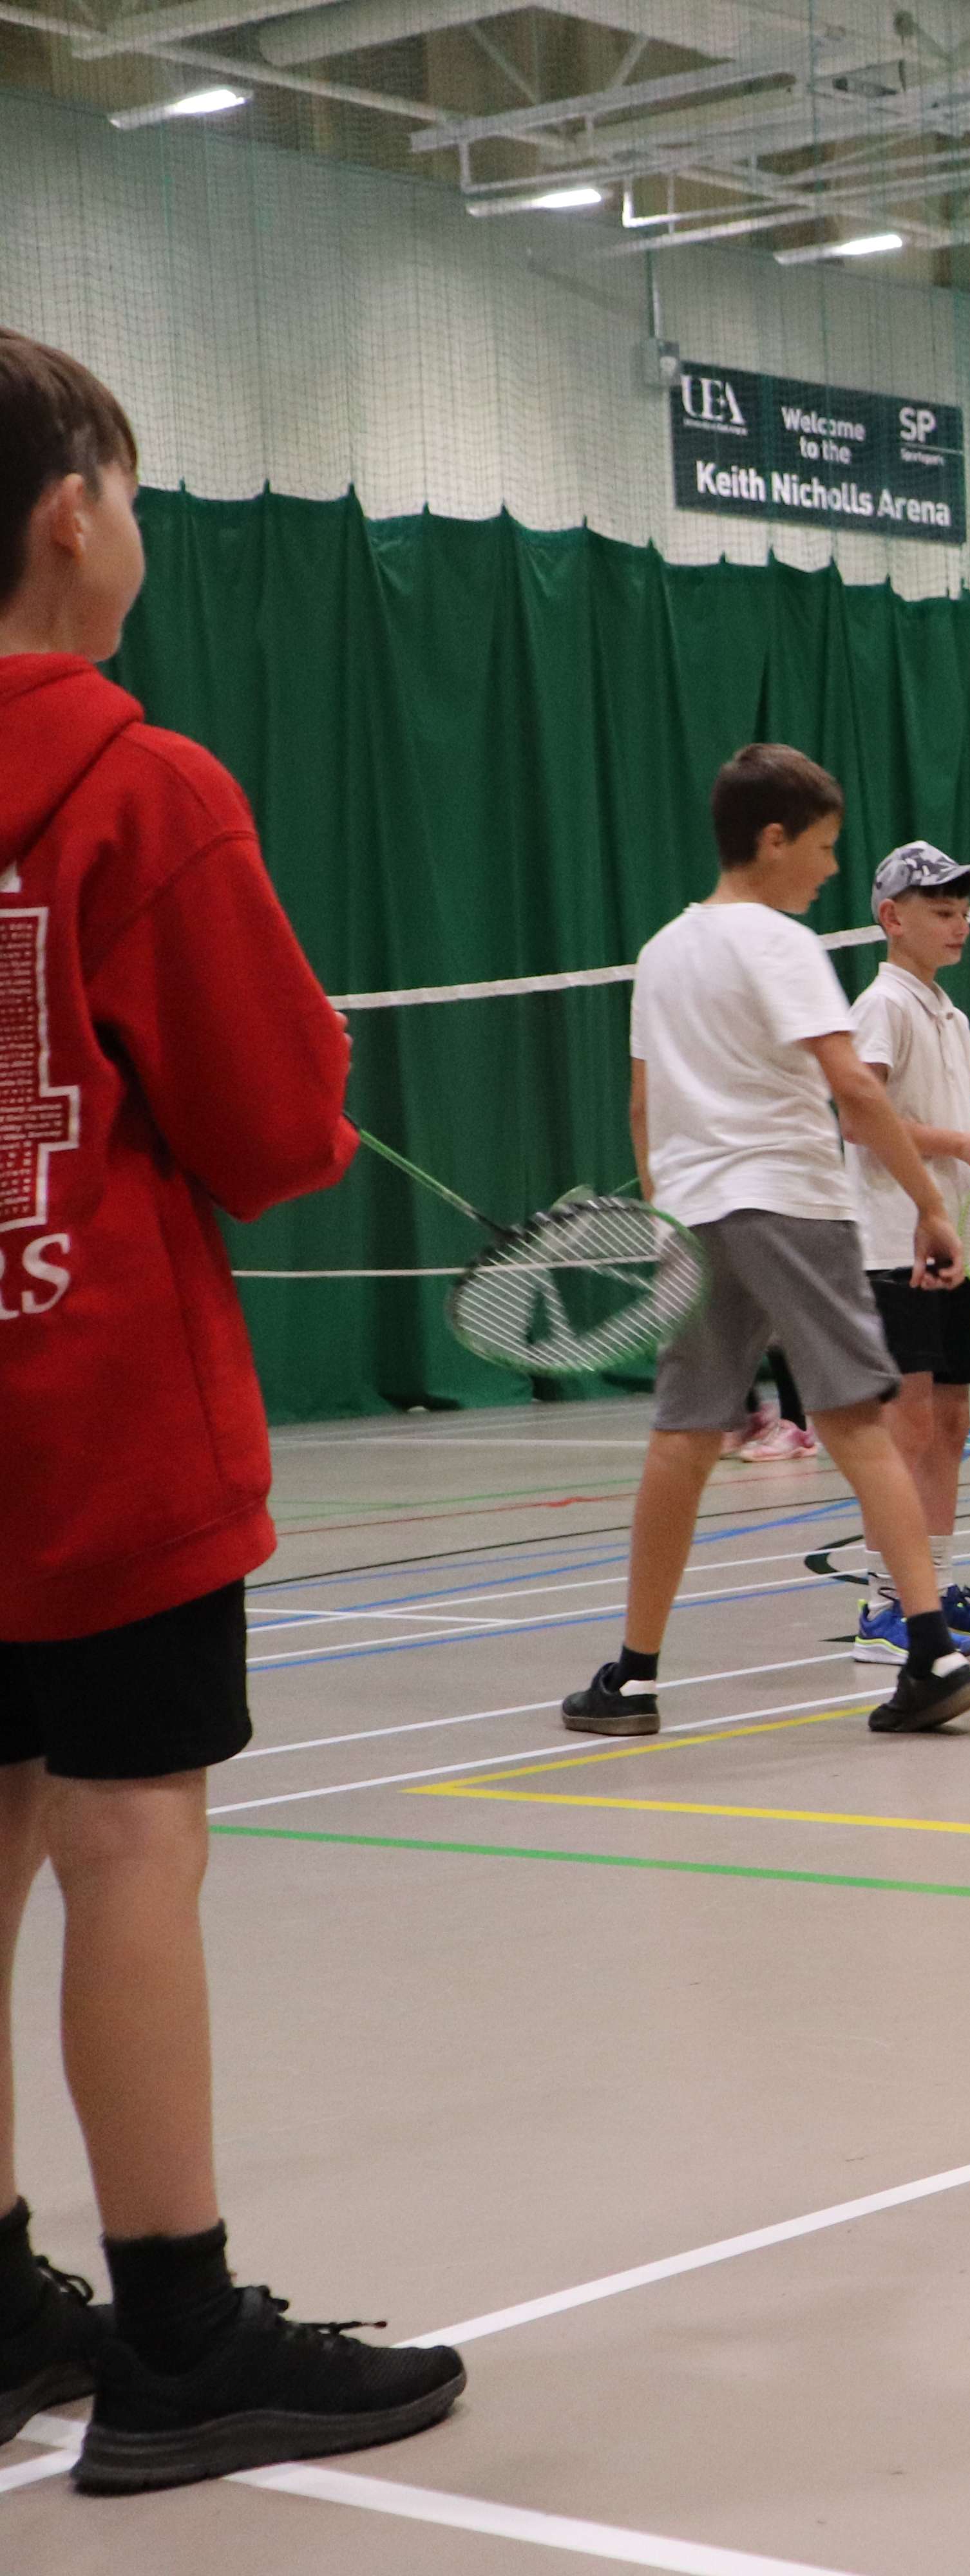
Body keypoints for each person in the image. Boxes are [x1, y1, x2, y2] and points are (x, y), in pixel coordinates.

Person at [0, 325, 466, 2494]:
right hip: (89, 1430)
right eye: (138, 491)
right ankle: (178, 2338)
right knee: (125, 1839)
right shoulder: (135, 783)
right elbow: (278, 1128)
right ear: (70, 512)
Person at [560, 746, 970, 1737]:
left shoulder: (663, 951)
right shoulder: (781, 942)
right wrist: (930, 1203)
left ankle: (631, 1678)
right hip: (793, 1205)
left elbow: (641, 1106)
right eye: (827, 847)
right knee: (856, 1425)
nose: (833, 869)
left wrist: (670, 1217)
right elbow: (853, 1087)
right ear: (774, 838)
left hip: (700, 1212)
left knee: (681, 1441)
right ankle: (931, 1651)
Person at [842, 840, 970, 1665]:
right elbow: (861, 1116)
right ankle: (887, 1606)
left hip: (946, 1243)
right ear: (892, 919)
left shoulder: (948, 1014)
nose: (959, 925)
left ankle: (940, 1586)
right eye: (940, 911)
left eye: (964, 912)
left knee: (950, 1420)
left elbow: (947, 1130)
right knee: (907, 1424)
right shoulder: (880, 1005)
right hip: (888, 1243)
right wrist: (960, 1139)